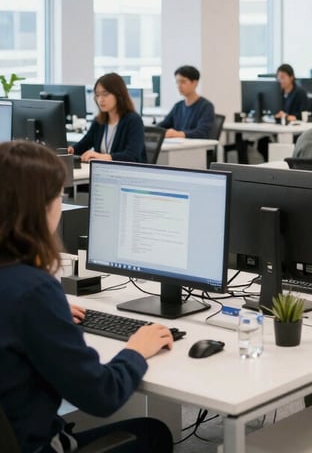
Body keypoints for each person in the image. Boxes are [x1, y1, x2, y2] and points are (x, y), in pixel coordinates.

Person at [0, 140, 173, 453]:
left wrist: (49, 315)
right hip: (37, 446)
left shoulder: (22, 289)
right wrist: (136, 349)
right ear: (38, 208)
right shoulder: (33, 291)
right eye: (58, 196)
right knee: (153, 432)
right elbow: (102, 396)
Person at [70, 73, 146, 163]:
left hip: (128, 173)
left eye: (105, 94)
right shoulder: (99, 121)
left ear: (118, 95)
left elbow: (132, 156)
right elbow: (84, 144)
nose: (100, 100)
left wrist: (102, 157)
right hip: (104, 171)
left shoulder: (133, 120)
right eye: (97, 95)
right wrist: (71, 150)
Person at [158, 65, 215, 139]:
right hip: (179, 146)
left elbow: (202, 132)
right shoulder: (178, 106)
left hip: (196, 148)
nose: (179, 86)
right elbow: (163, 125)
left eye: (183, 82)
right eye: (177, 82)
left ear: (195, 83)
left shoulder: (206, 106)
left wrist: (178, 134)